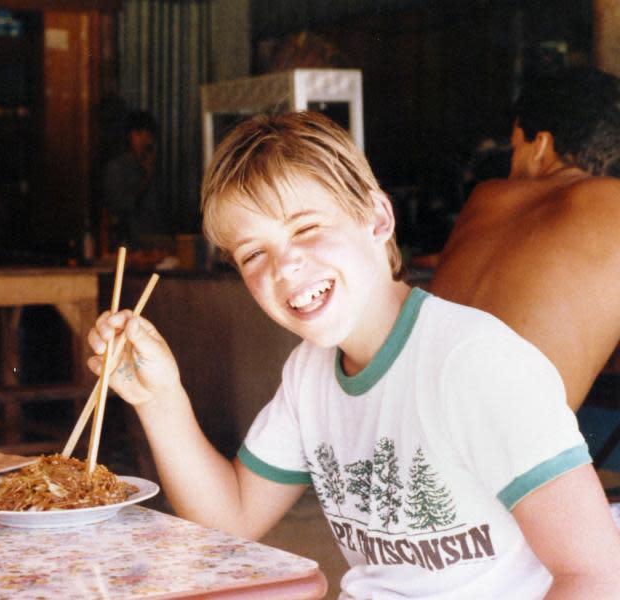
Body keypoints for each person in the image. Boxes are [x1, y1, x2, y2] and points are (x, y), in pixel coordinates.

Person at [88, 111, 620, 598]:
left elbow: (595, 573)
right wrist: (160, 398)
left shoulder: (474, 362)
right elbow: (232, 518)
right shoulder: (309, 373)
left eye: (306, 227)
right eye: (253, 253)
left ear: (377, 218)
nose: (285, 266)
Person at [431, 66, 620, 412]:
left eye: (516, 147)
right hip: (513, 458)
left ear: (542, 144)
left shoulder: (485, 196)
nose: (511, 163)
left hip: (411, 435)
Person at [102, 110, 166, 251]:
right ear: (129, 137)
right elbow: (120, 205)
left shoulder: (156, 166)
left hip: (154, 243)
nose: (144, 140)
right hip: (127, 245)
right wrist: (147, 177)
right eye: (138, 134)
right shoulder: (117, 168)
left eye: (148, 135)